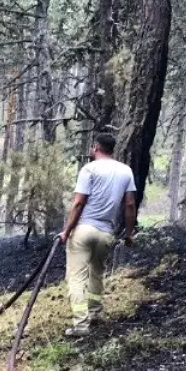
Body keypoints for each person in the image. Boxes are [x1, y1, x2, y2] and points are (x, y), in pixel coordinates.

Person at [58, 132, 136, 338]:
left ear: (96, 147)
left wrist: (66, 231)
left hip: (84, 229)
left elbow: (78, 202)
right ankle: (95, 313)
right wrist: (129, 233)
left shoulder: (89, 169)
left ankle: (81, 324)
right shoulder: (126, 171)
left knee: (76, 278)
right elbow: (129, 205)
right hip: (106, 233)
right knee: (97, 273)